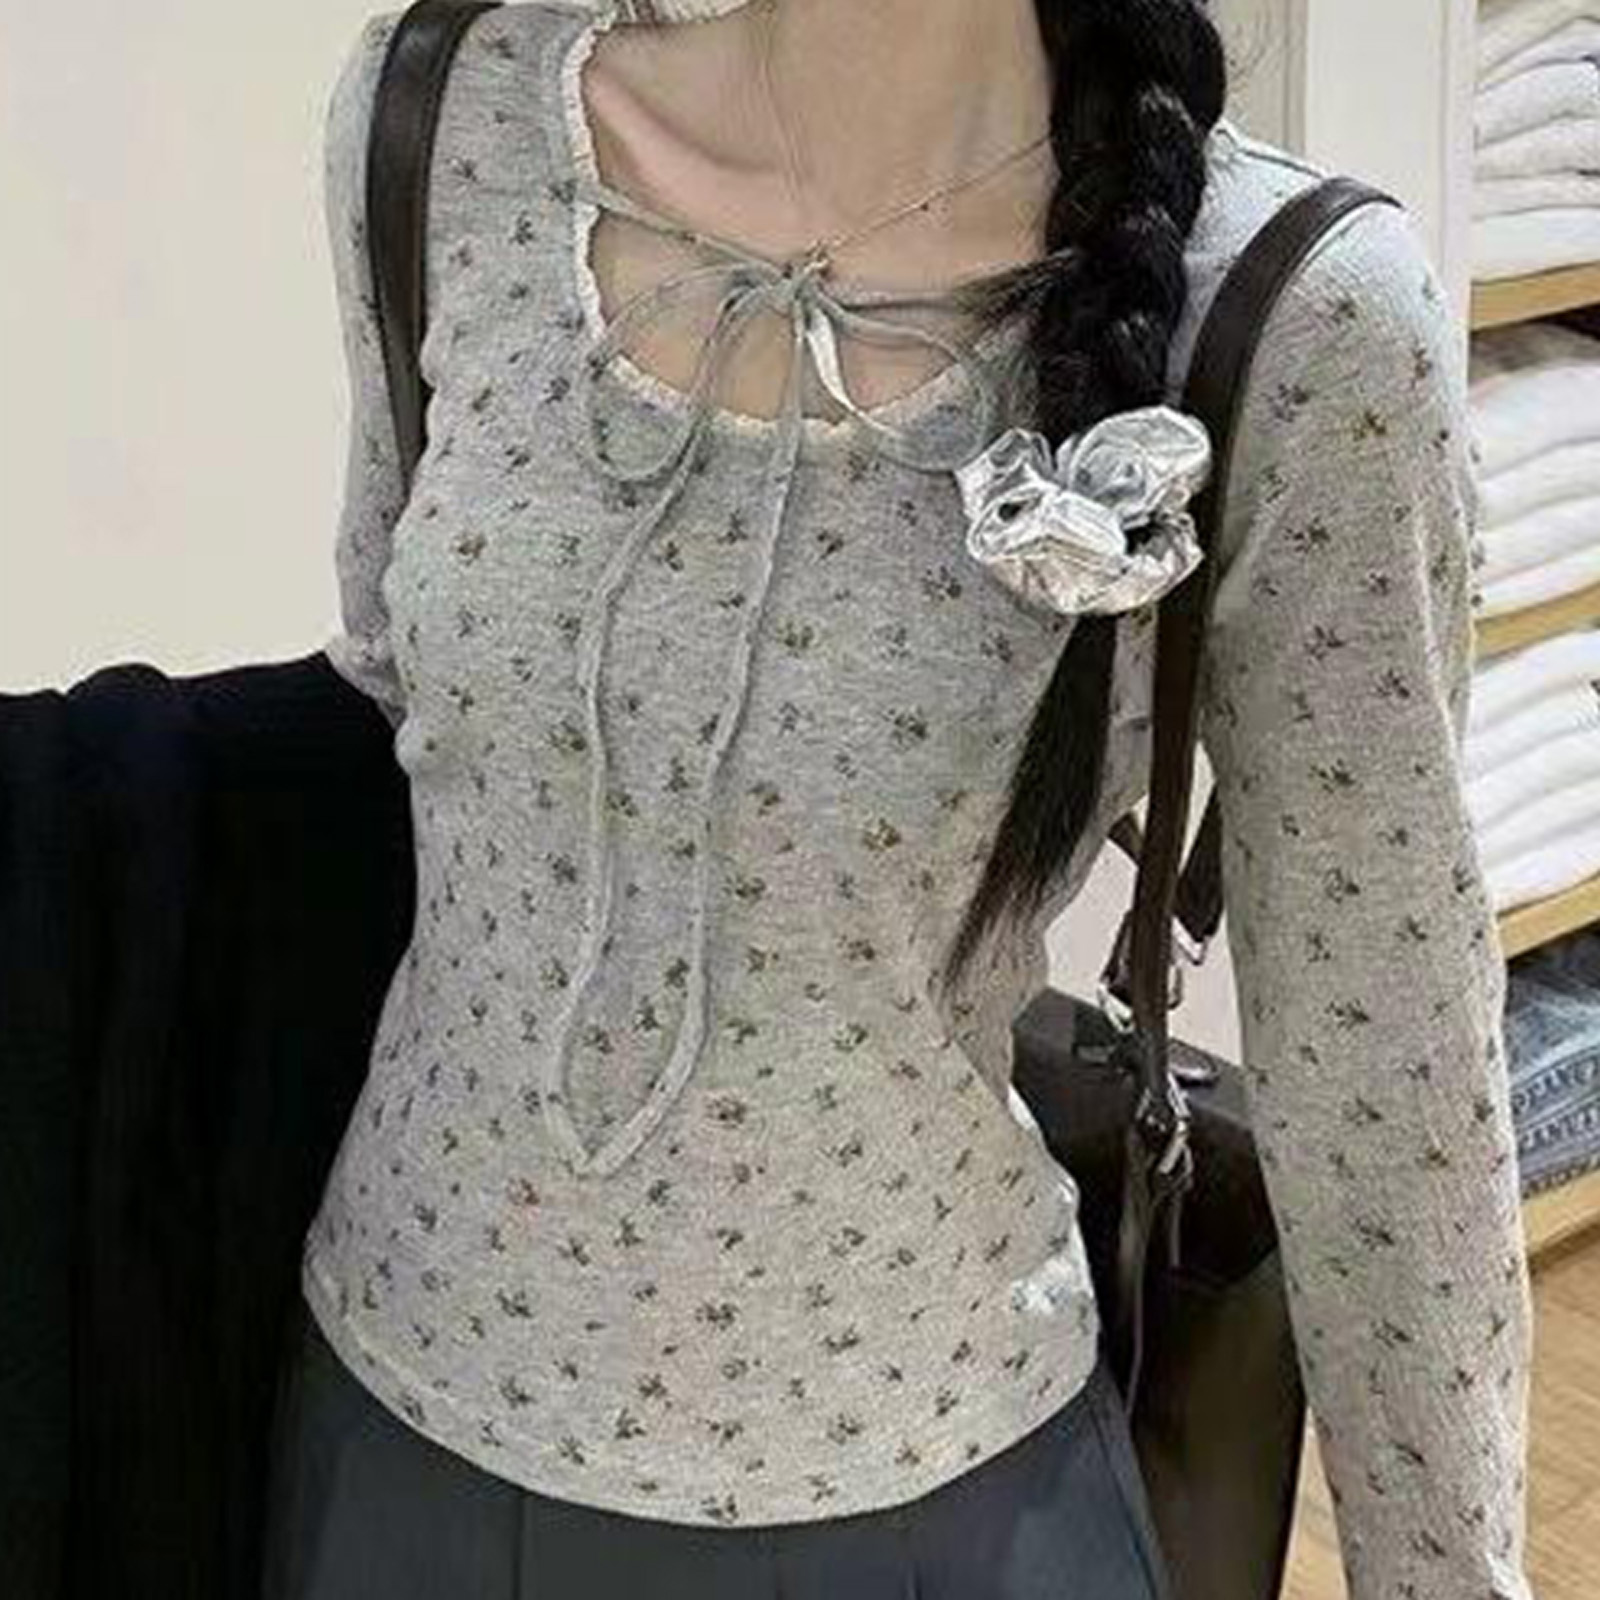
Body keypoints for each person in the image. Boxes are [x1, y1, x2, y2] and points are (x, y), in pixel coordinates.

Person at [260, 1, 1539, 1597]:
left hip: (931, 1491)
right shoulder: (445, 117)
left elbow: (1388, 1079)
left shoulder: (1295, 318)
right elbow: (387, 732)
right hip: (395, 1436)